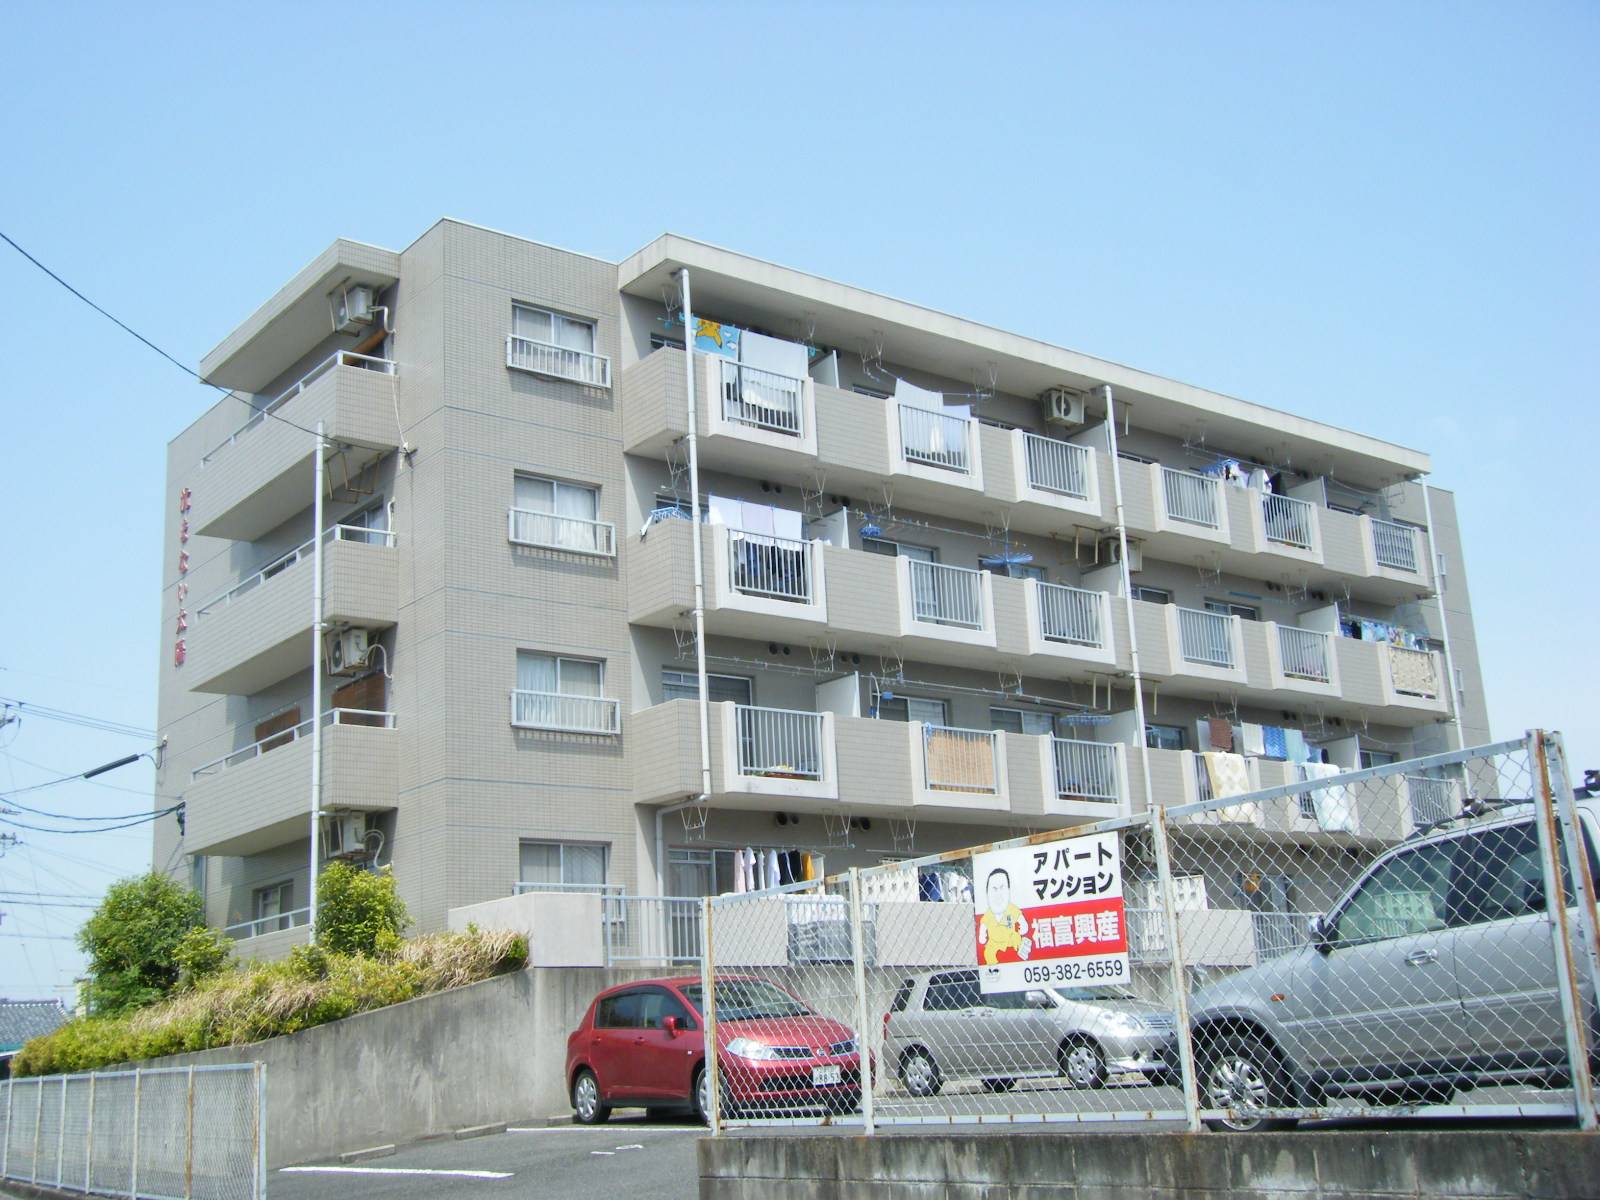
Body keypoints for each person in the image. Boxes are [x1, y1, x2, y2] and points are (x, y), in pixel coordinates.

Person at [978, 868, 1031, 964]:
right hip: (994, 943)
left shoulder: (1011, 909)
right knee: (988, 954)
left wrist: (1024, 926)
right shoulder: (988, 914)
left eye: (1002, 888)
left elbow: (1021, 919)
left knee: (1021, 944)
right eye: (994, 889)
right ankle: (994, 970)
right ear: (987, 893)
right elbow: (983, 926)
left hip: (1011, 939)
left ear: (1008, 890)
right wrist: (982, 935)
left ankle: (1023, 959)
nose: (998, 893)